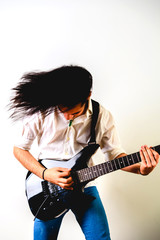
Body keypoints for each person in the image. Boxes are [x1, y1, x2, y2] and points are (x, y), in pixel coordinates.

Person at [10, 65, 159, 240]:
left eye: (74, 113)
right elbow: (19, 149)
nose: (67, 117)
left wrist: (141, 169)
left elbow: (115, 155)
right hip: (46, 190)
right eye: (62, 110)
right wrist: (45, 174)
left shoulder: (102, 116)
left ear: (88, 96)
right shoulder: (42, 111)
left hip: (85, 186)